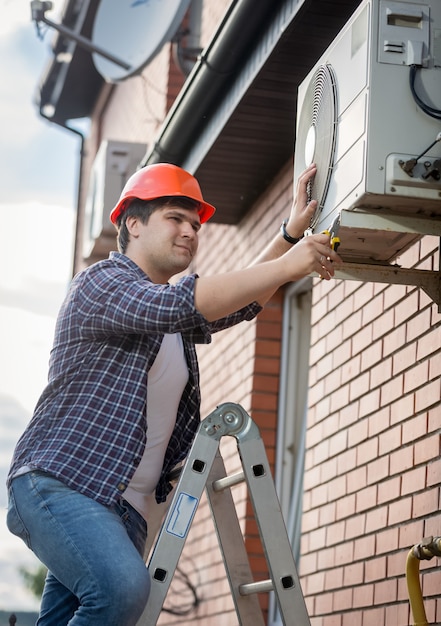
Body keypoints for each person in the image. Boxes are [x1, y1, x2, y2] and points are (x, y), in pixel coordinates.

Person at [6, 162, 340, 626]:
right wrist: (289, 263)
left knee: (76, 614)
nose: (189, 230)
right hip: (64, 484)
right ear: (133, 223)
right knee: (123, 591)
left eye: (195, 223)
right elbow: (181, 301)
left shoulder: (171, 319)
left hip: (123, 510)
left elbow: (237, 302)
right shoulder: (102, 284)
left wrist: (287, 234)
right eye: (175, 218)